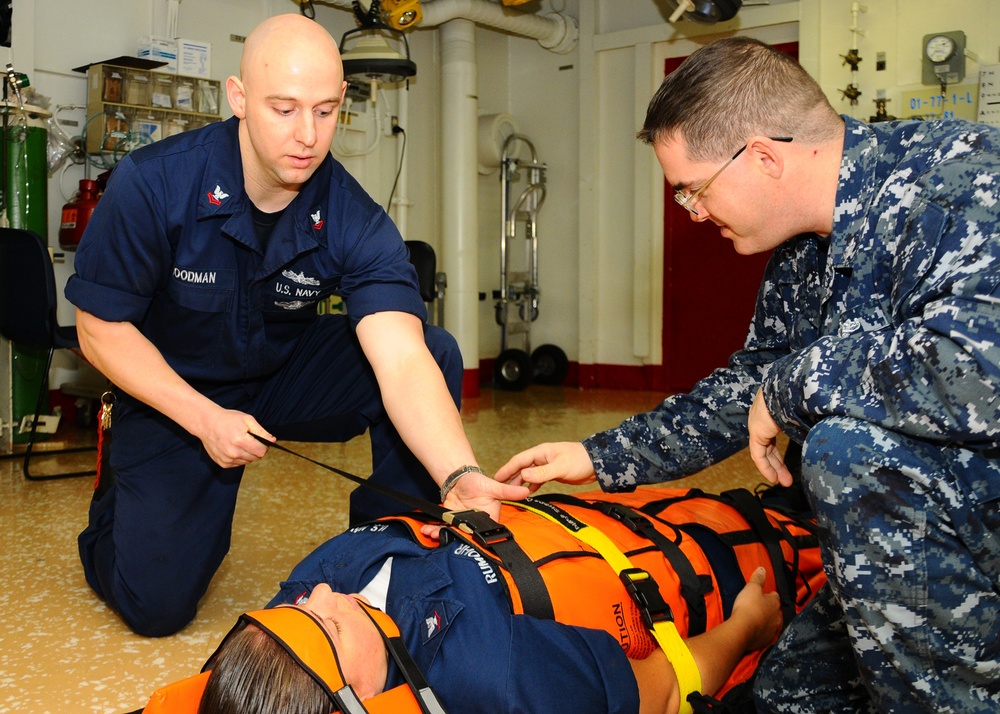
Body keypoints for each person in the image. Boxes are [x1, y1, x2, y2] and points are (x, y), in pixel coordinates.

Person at [495, 37, 1000, 714]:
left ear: (763, 156)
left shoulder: (960, 176)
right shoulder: (801, 250)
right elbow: (750, 385)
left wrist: (793, 387)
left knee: (843, 451)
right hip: (912, 523)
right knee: (789, 697)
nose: (694, 214)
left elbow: (979, 367)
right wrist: (595, 455)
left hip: (970, 513)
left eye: (693, 190)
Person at [65, 13, 526, 638]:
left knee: (435, 348)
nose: (308, 135)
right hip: (174, 392)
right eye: (284, 110)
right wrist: (204, 419)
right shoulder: (153, 184)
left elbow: (400, 356)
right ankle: (111, 512)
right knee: (157, 608)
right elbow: (99, 330)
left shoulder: (351, 216)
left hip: (279, 373)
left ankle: (386, 544)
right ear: (239, 98)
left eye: (326, 111)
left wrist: (460, 474)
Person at [142, 486, 826, 714]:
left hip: (597, 520)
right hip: (733, 569)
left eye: (298, 605)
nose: (320, 590)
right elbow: (662, 687)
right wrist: (746, 630)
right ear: (360, 693)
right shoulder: (499, 679)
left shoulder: (291, 637)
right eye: (326, 620)